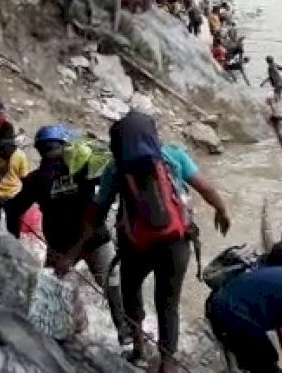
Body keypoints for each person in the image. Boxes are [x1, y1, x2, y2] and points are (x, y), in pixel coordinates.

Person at [65, 110, 231, 372]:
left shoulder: (116, 168)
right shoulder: (173, 156)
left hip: (135, 247)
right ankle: (168, 362)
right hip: (177, 242)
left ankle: (140, 349)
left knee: (131, 293)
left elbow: (96, 215)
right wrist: (222, 211)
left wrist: (75, 250)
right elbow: (206, 188)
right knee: (168, 303)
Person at [2, 125, 133, 345]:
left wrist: (13, 238)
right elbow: (114, 182)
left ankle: (73, 330)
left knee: (53, 295)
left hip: (61, 246)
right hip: (94, 239)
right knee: (114, 286)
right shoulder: (84, 168)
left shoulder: (36, 179)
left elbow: (13, 209)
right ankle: (127, 332)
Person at [266, 95, 282, 161]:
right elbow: (274, 116)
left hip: (277, 122)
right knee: (281, 139)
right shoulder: (272, 98)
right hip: (275, 121)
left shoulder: (276, 99)